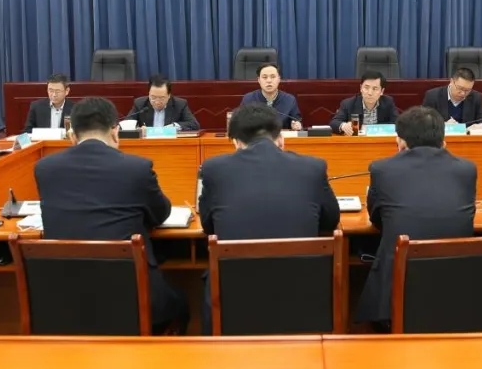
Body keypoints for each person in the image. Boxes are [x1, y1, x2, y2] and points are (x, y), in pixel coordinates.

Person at [33, 97, 189, 334]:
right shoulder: (136, 168)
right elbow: (161, 213)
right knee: (181, 303)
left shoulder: (44, 169)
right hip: (131, 299)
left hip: (64, 301)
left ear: (72, 135)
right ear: (115, 132)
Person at [198, 104, 340, 331]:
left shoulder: (214, 169)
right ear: (280, 139)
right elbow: (330, 220)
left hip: (234, 301)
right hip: (303, 298)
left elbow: (208, 226)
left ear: (235, 142)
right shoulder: (313, 167)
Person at [354, 106, 477, 328]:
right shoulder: (467, 170)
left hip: (398, 294)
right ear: (443, 140)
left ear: (401, 142)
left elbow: (378, 219)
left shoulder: (383, 169)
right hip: (457, 290)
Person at [421, 67, 482, 133]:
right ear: (451, 81)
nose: (463, 93)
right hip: (441, 138)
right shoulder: (433, 96)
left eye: (467, 90)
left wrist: (481, 126)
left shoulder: (475, 97)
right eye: (460, 88)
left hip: (466, 139)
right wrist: (442, 125)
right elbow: (423, 122)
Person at [329, 71, 398, 135]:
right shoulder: (348, 103)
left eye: (375, 88)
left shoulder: (388, 102)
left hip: (380, 141)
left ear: (382, 91)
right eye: (366, 88)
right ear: (361, 88)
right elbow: (333, 123)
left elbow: (397, 123)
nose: (370, 93)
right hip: (358, 142)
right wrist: (343, 126)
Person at [124, 74, 201, 131]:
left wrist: (174, 126)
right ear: (149, 93)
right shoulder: (140, 104)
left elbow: (194, 124)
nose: (157, 102)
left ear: (169, 95)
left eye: (162, 98)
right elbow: (126, 124)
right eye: (153, 97)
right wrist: (138, 129)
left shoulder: (179, 104)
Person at [238, 63, 302, 130]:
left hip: (281, 136)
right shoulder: (248, 99)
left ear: (279, 79)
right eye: (264, 77)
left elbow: (297, 121)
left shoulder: (289, 100)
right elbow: (240, 123)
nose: (269, 81)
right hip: (255, 136)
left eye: (273, 77)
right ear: (259, 80)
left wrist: (296, 125)